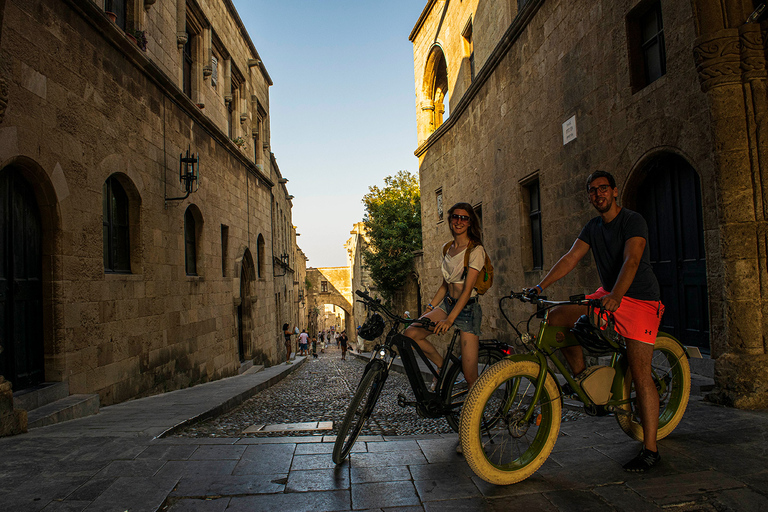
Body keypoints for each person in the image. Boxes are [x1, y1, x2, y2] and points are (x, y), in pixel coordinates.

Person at [527, 171, 664, 473]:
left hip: (639, 299)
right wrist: (540, 287)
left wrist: (616, 294)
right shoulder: (592, 227)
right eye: (592, 191)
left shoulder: (632, 220)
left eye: (603, 189)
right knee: (557, 316)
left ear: (615, 192)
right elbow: (570, 257)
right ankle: (585, 379)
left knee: (641, 373)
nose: (598, 194)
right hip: (608, 294)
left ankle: (651, 449)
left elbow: (632, 260)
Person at [404, 202, 486, 455]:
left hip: (467, 310)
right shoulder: (447, 248)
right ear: (450, 220)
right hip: (448, 303)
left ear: (470, 222)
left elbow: (467, 288)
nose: (459, 222)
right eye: (454, 217)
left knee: (472, 378)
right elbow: (445, 285)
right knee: (412, 334)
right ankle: (442, 367)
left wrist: (450, 320)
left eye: (464, 218)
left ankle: (473, 433)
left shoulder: (476, 250)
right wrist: (429, 308)